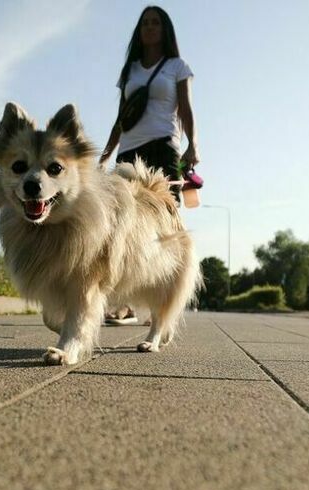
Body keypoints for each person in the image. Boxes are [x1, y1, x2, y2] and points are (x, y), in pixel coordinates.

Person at [100, 5, 200, 326]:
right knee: (122, 225)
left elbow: (185, 110)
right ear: (139, 31)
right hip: (129, 149)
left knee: (166, 224)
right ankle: (125, 304)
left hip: (162, 147)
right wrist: (105, 153)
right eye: (145, 23)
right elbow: (121, 117)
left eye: (156, 22)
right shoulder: (129, 70)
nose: (150, 27)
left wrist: (193, 145)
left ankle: (162, 302)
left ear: (165, 29)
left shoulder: (176, 66)